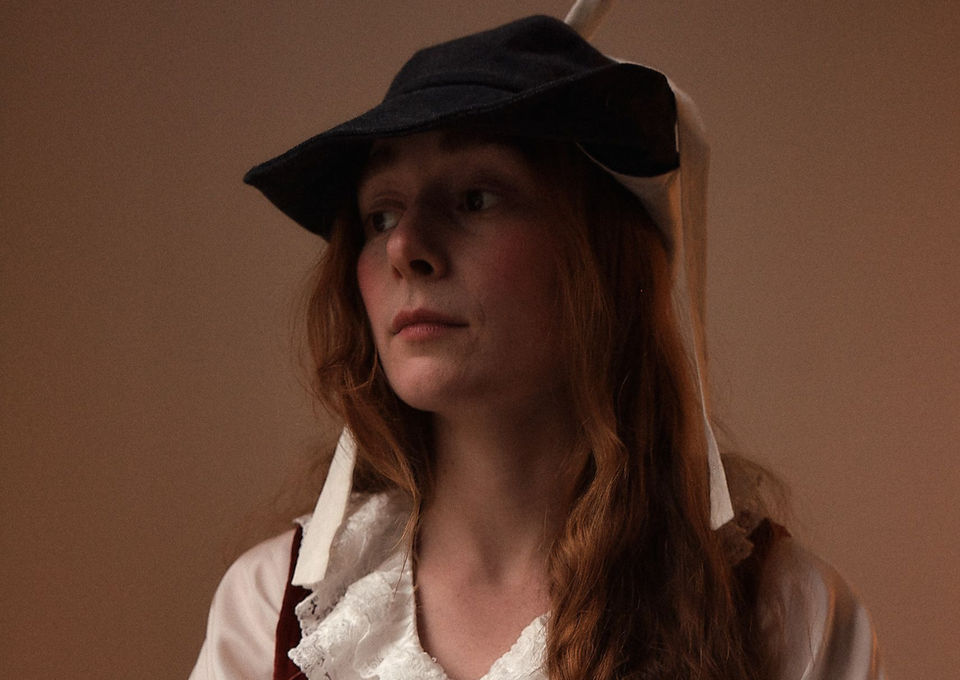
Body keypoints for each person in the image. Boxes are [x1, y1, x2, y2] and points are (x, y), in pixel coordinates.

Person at [190, 7, 884, 680]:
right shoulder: (274, 609)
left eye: (475, 199)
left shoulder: (781, 612)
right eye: (382, 215)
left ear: (600, 257)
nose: (406, 247)